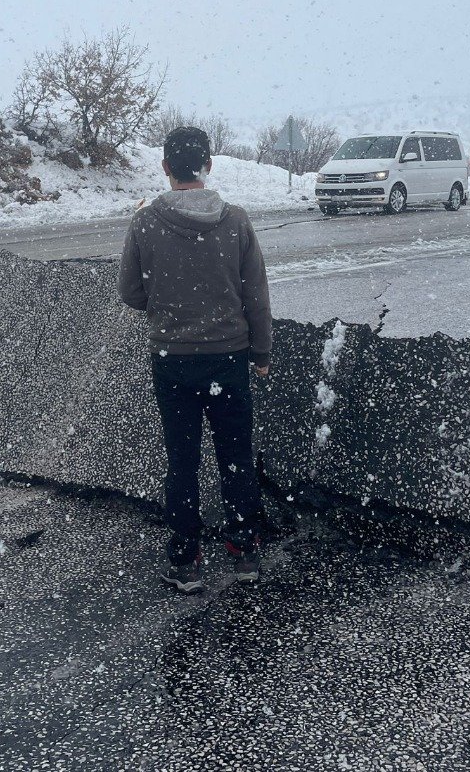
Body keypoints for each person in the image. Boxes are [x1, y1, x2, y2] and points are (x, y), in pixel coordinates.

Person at [118, 126, 273, 593]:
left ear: (166, 167)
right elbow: (257, 297)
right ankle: (244, 550)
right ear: (208, 166)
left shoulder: (144, 222)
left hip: (173, 360)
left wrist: (169, 302)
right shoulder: (236, 221)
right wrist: (261, 353)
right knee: (236, 457)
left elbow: (130, 292)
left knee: (182, 460)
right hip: (229, 358)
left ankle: (186, 560)